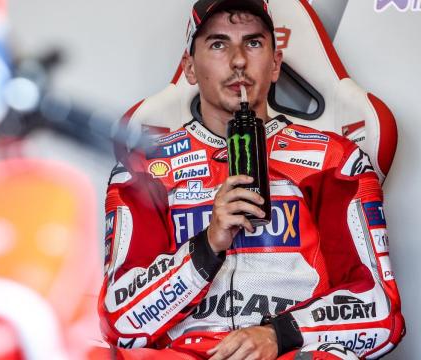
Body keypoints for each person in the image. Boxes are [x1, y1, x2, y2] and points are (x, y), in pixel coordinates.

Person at [98, 0, 405, 359]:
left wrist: (281, 334)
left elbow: (382, 314)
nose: (239, 60)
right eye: (218, 44)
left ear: (275, 65)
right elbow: (120, 323)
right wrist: (206, 247)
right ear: (190, 68)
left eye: (254, 43)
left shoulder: (335, 161)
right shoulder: (144, 170)